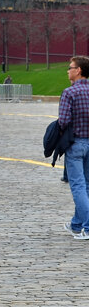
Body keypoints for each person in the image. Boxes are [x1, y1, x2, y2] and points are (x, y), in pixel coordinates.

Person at [58, 56, 89, 240]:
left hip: (76, 144)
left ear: (78, 71)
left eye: (70, 68)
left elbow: (63, 121)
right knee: (86, 185)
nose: (68, 71)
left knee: (77, 186)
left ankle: (87, 226)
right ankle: (76, 225)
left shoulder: (69, 93)